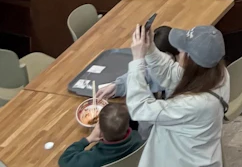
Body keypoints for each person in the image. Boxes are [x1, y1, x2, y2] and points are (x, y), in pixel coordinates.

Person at [121, 22, 228, 167]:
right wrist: (150, 49)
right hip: (195, 153)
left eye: (183, 50)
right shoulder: (218, 73)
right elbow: (171, 75)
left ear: (191, 62)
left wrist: (137, 61)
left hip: (181, 160)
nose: (179, 50)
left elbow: (140, 108)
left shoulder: (194, 104)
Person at [58, 101, 140, 167]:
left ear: (100, 131)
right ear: (128, 125)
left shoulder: (92, 158)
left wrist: (88, 139)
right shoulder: (138, 138)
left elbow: (64, 160)